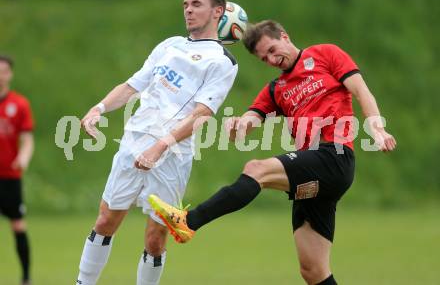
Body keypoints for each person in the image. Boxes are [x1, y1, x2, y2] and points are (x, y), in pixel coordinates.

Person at [148, 20, 397, 285]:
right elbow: (251, 120)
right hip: (314, 176)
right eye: (264, 57)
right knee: (313, 271)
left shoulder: (325, 54)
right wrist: (238, 125)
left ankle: (188, 222)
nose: (271, 59)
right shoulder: (276, 88)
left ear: (284, 36)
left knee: (257, 169)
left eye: (272, 49)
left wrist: (377, 129)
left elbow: (361, 90)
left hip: (334, 156)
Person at [75, 0, 238, 285]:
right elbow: (132, 85)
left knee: (155, 238)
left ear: (218, 11)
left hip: (173, 154)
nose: (188, 10)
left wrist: (160, 146)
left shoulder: (222, 61)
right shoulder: (169, 44)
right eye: (186, 5)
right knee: (106, 220)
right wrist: (99, 107)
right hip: (135, 140)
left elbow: (202, 114)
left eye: (197, 4)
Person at [0, 55, 34, 285]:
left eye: (4, 71)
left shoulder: (19, 104)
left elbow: (27, 139)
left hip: (10, 177)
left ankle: (25, 277)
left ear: (10, 74)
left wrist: (23, 157)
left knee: (18, 225)